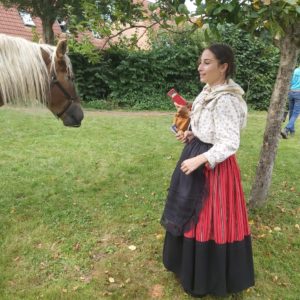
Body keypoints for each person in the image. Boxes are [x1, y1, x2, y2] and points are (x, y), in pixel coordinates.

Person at [160, 44, 255, 298]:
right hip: (198, 153)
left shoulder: (225, 99)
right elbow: (210, 128)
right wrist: (193, 133)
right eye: (200, 62)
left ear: (223, 67)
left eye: (207, 62)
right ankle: (187, 265)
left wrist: (200, 159)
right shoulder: (208, 91)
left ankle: (207, 276)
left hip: (215, 169)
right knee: (187, 209)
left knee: (207, 216)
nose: (200, 67)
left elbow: (229, 143)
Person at [281, 66, 300, 138]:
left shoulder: (295, 70)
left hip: (291, 92)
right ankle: (286, 129)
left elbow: (291, 81)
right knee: (295, 114)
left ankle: (292, 131)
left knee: (291, 113)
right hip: (299, 93)